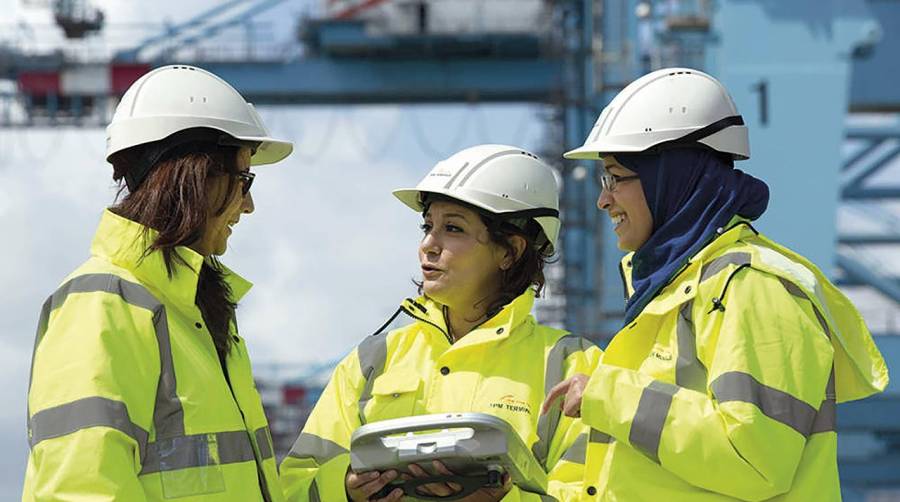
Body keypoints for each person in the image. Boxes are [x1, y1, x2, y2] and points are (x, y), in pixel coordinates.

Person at [542, 67, 889, 500]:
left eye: (615, 176)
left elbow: (753, 459)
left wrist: (610, 394)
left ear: (671, 177)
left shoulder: (753, 287)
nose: (603, 198)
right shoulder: (664, 300)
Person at [23, 65, 293, 501]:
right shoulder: (102, 303)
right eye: (244, 180)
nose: (249, 205)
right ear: (196, 176)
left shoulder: (196, 312)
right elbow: (79, 490)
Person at [280, 144, 601, 501]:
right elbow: (293, 488)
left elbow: (597, 492)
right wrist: (345, 489)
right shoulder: (374, 360)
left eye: (453, 228)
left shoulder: (570, 366)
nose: (428, 245)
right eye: (427, 226)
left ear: (510, 250)